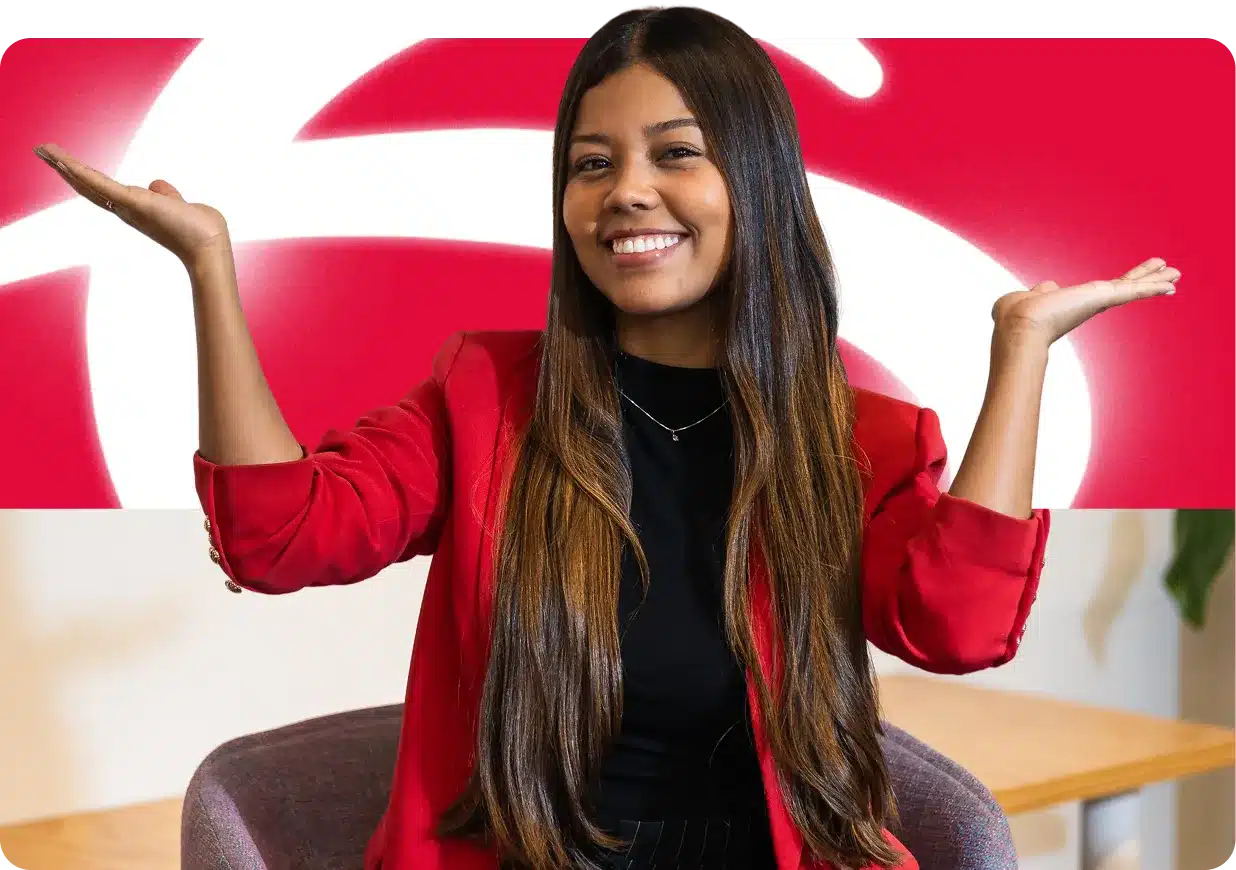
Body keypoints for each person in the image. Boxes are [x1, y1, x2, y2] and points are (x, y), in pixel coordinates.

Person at [34, 6, 1179, 870]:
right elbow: (282, 541)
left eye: (676, 153)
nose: (627, 191)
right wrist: (208, 270)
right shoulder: (483, 400)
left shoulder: (856, 439)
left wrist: (1021, 351)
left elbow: (956, 624)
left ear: (756, 183)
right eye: (593, 163)